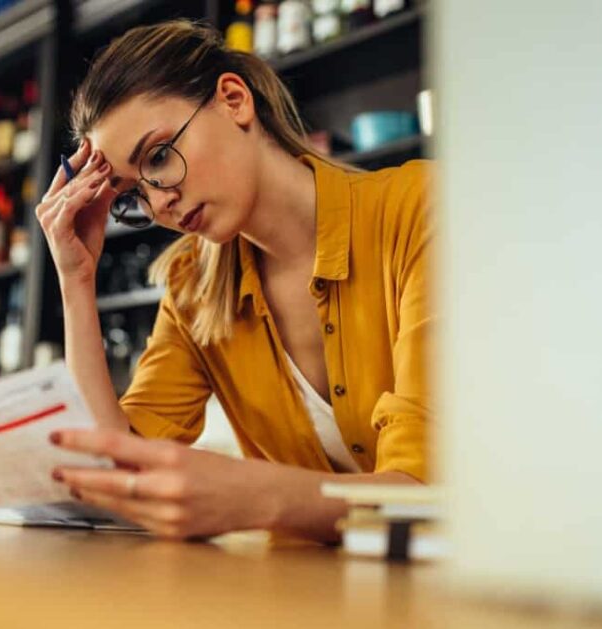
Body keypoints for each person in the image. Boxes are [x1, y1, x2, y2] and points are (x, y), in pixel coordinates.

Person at [35, 19, 433, 542]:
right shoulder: (193, 288)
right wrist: (75, 281)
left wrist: (254, 496)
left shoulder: (421, 210)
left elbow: (427, 494)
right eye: (133, 193)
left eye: (158, 156)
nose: (159, 204)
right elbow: (120, 475)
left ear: (233, 99)